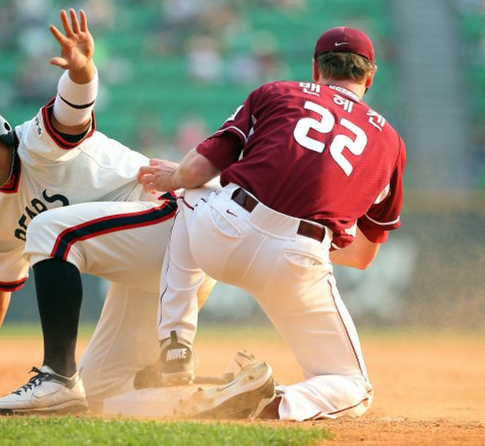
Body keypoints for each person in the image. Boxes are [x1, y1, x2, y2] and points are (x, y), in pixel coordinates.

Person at [0, 9, 213, 415]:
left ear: (2, 131)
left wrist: (82, 71)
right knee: (103, 391)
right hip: (148, 274)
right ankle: (221, 395)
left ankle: (57, 375)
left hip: (176, 226)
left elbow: (73, 107)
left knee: (48, 229)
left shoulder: (38, 142)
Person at [139, 26, 407, 421]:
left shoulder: (279, 92)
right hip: (299, 259)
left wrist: (175, 177)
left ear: (316, 69)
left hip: (223, 231)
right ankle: (274, 401)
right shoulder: (391, 143)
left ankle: (176, 343)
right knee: (352, 387)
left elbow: (197, 170)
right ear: (370, 76)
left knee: (191, 196)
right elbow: (364, 255)